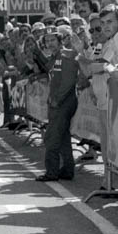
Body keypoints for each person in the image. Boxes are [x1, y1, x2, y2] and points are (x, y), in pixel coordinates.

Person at [35, 21, 82, 182]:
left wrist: (56, 100)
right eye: (47, 41)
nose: (49, 43)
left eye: (52, 40)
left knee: (52, 137)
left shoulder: (66, 55)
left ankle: (52, 171)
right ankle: (67, 170)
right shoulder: (54, 57)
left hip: (63, 102)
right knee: (62, 137)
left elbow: (68, 81)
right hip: (59, 101)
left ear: (60, 40)